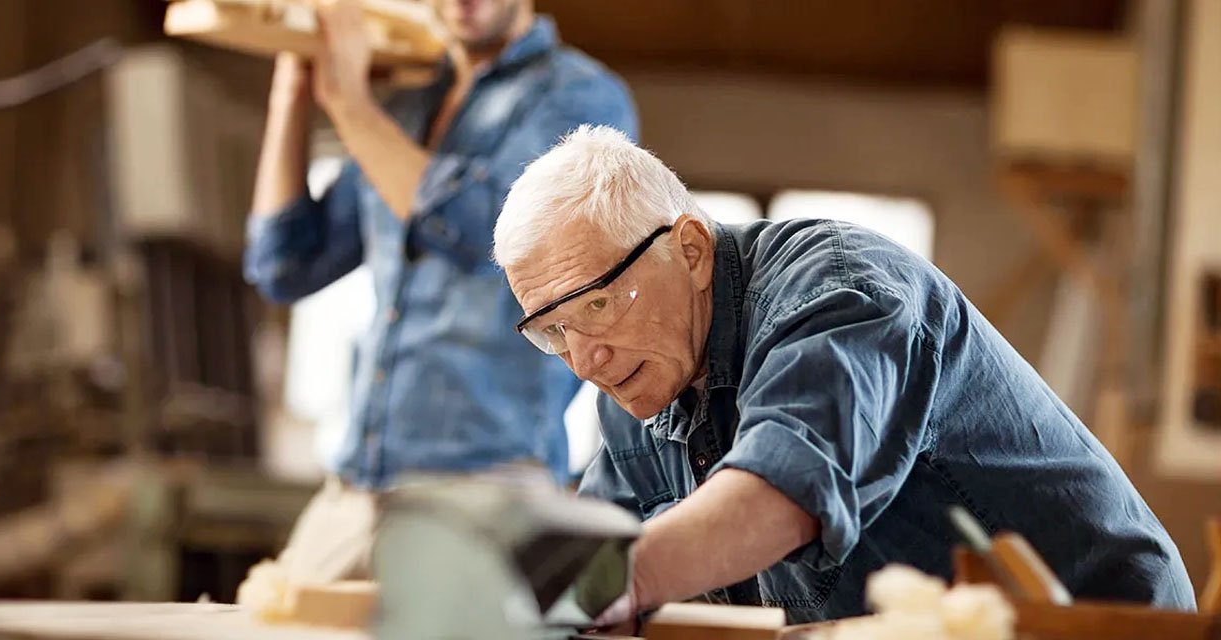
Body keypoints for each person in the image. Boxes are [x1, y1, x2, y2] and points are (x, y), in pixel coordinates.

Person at [491, 125, 1196, 627]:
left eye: (599, 303)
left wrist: (595, 587)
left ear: (692, 249)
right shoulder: (640, 382)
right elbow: (609, 556)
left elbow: (777, 499)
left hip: (1099, 624)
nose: (585, 361)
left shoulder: (839, 289)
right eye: (552, 330)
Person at [241, 0, 637, 584]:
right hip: (360, 486)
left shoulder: (582, 99)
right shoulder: (406, 107)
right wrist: (295, 91)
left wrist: (349, 103)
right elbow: (284, 263)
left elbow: (483, 229)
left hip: (488, 489)